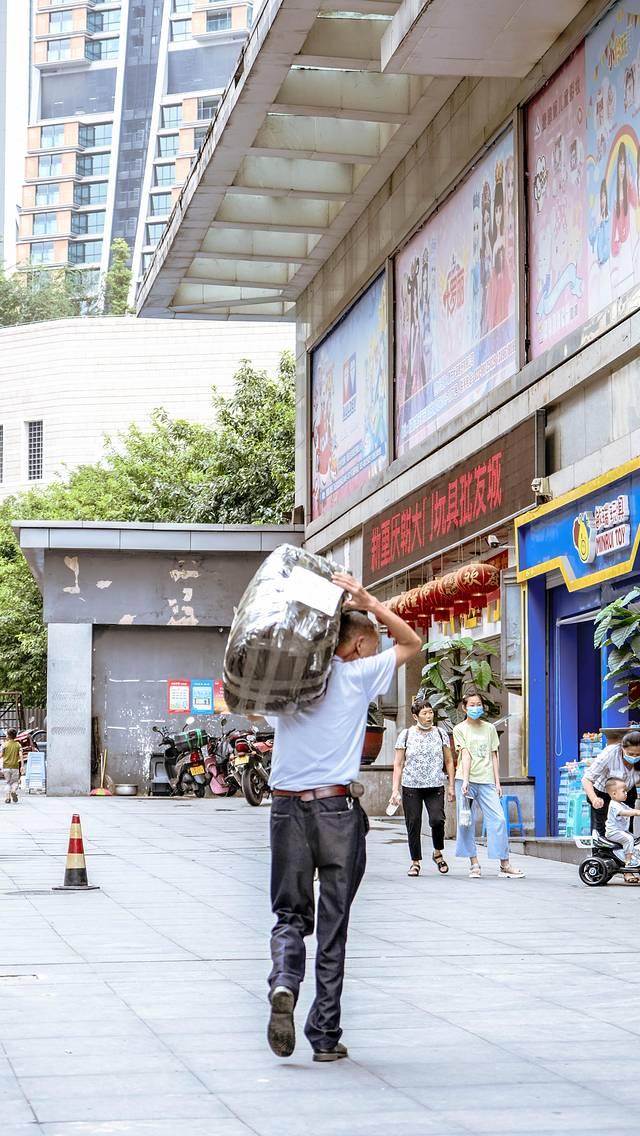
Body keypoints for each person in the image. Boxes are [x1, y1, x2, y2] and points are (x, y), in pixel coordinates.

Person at [266, 571, 421, 1062]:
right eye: (366, 647)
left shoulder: (290, 682)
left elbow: (253, 706)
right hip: (336, 811)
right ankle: (324, 1037)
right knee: (333, 924)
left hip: (287, 808)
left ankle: (284, 982)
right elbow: (412, 642)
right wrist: (366, 599)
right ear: (355, 647)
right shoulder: (356, 676)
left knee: (290, 915)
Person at [453, 692, 525, 879]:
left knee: (499, 819)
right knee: (466, 822)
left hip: (486, 781)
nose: (476, 708)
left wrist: (497, 782)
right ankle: (474, 863)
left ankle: (504, 864)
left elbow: (494, 755)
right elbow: (466, 754)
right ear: (464, 708)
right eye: (472, 705)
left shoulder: (489, 729)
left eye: (479, 704)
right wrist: (466, 781)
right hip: (465, 780)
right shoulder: (459, 729)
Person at [390, 700, 455, 876]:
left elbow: (449, 760)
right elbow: (398, 764)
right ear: (415, 716)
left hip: (435, 785)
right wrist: (395, 790)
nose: (428, 716)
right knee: (413, 823)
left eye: (430, 712)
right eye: (424, 713)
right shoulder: (406, 734)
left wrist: (451, 786)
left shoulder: (440, 733)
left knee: (437, 820)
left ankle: (437, 852)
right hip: (411, 786)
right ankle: (415, 862)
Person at [582, 730, 640, 837]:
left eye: (638, 754)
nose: (634, 757)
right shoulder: (610, 753)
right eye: (630, 754)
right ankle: (601, 852)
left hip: (626, 793)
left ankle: (626, 852)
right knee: (603, 832)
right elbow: (587, 779)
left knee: (626, 829)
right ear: (622, 748)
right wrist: (595, 799)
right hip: (603, 794)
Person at [604, 777, 640, 880]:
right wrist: (637, 812)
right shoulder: (614, 805)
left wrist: (637, 811)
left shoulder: (622, 804)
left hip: (621, 831)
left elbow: (631, 809)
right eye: (623, 791)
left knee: (636, 840)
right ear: (614, 794)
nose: (626, 793)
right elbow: (625, 813)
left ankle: (635, 857)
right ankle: (628, 862)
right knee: (628, 839)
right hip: (613, 832)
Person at [2, 729, 23, 804]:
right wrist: (22, 766)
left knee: (8, 783)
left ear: (8, 735)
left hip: (6, 766)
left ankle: (8, 798)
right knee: (14, 782)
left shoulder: (4, 744)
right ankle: (13, 791)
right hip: (15, 766)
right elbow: (21, 755)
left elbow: (1, 755)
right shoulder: (18, 745)